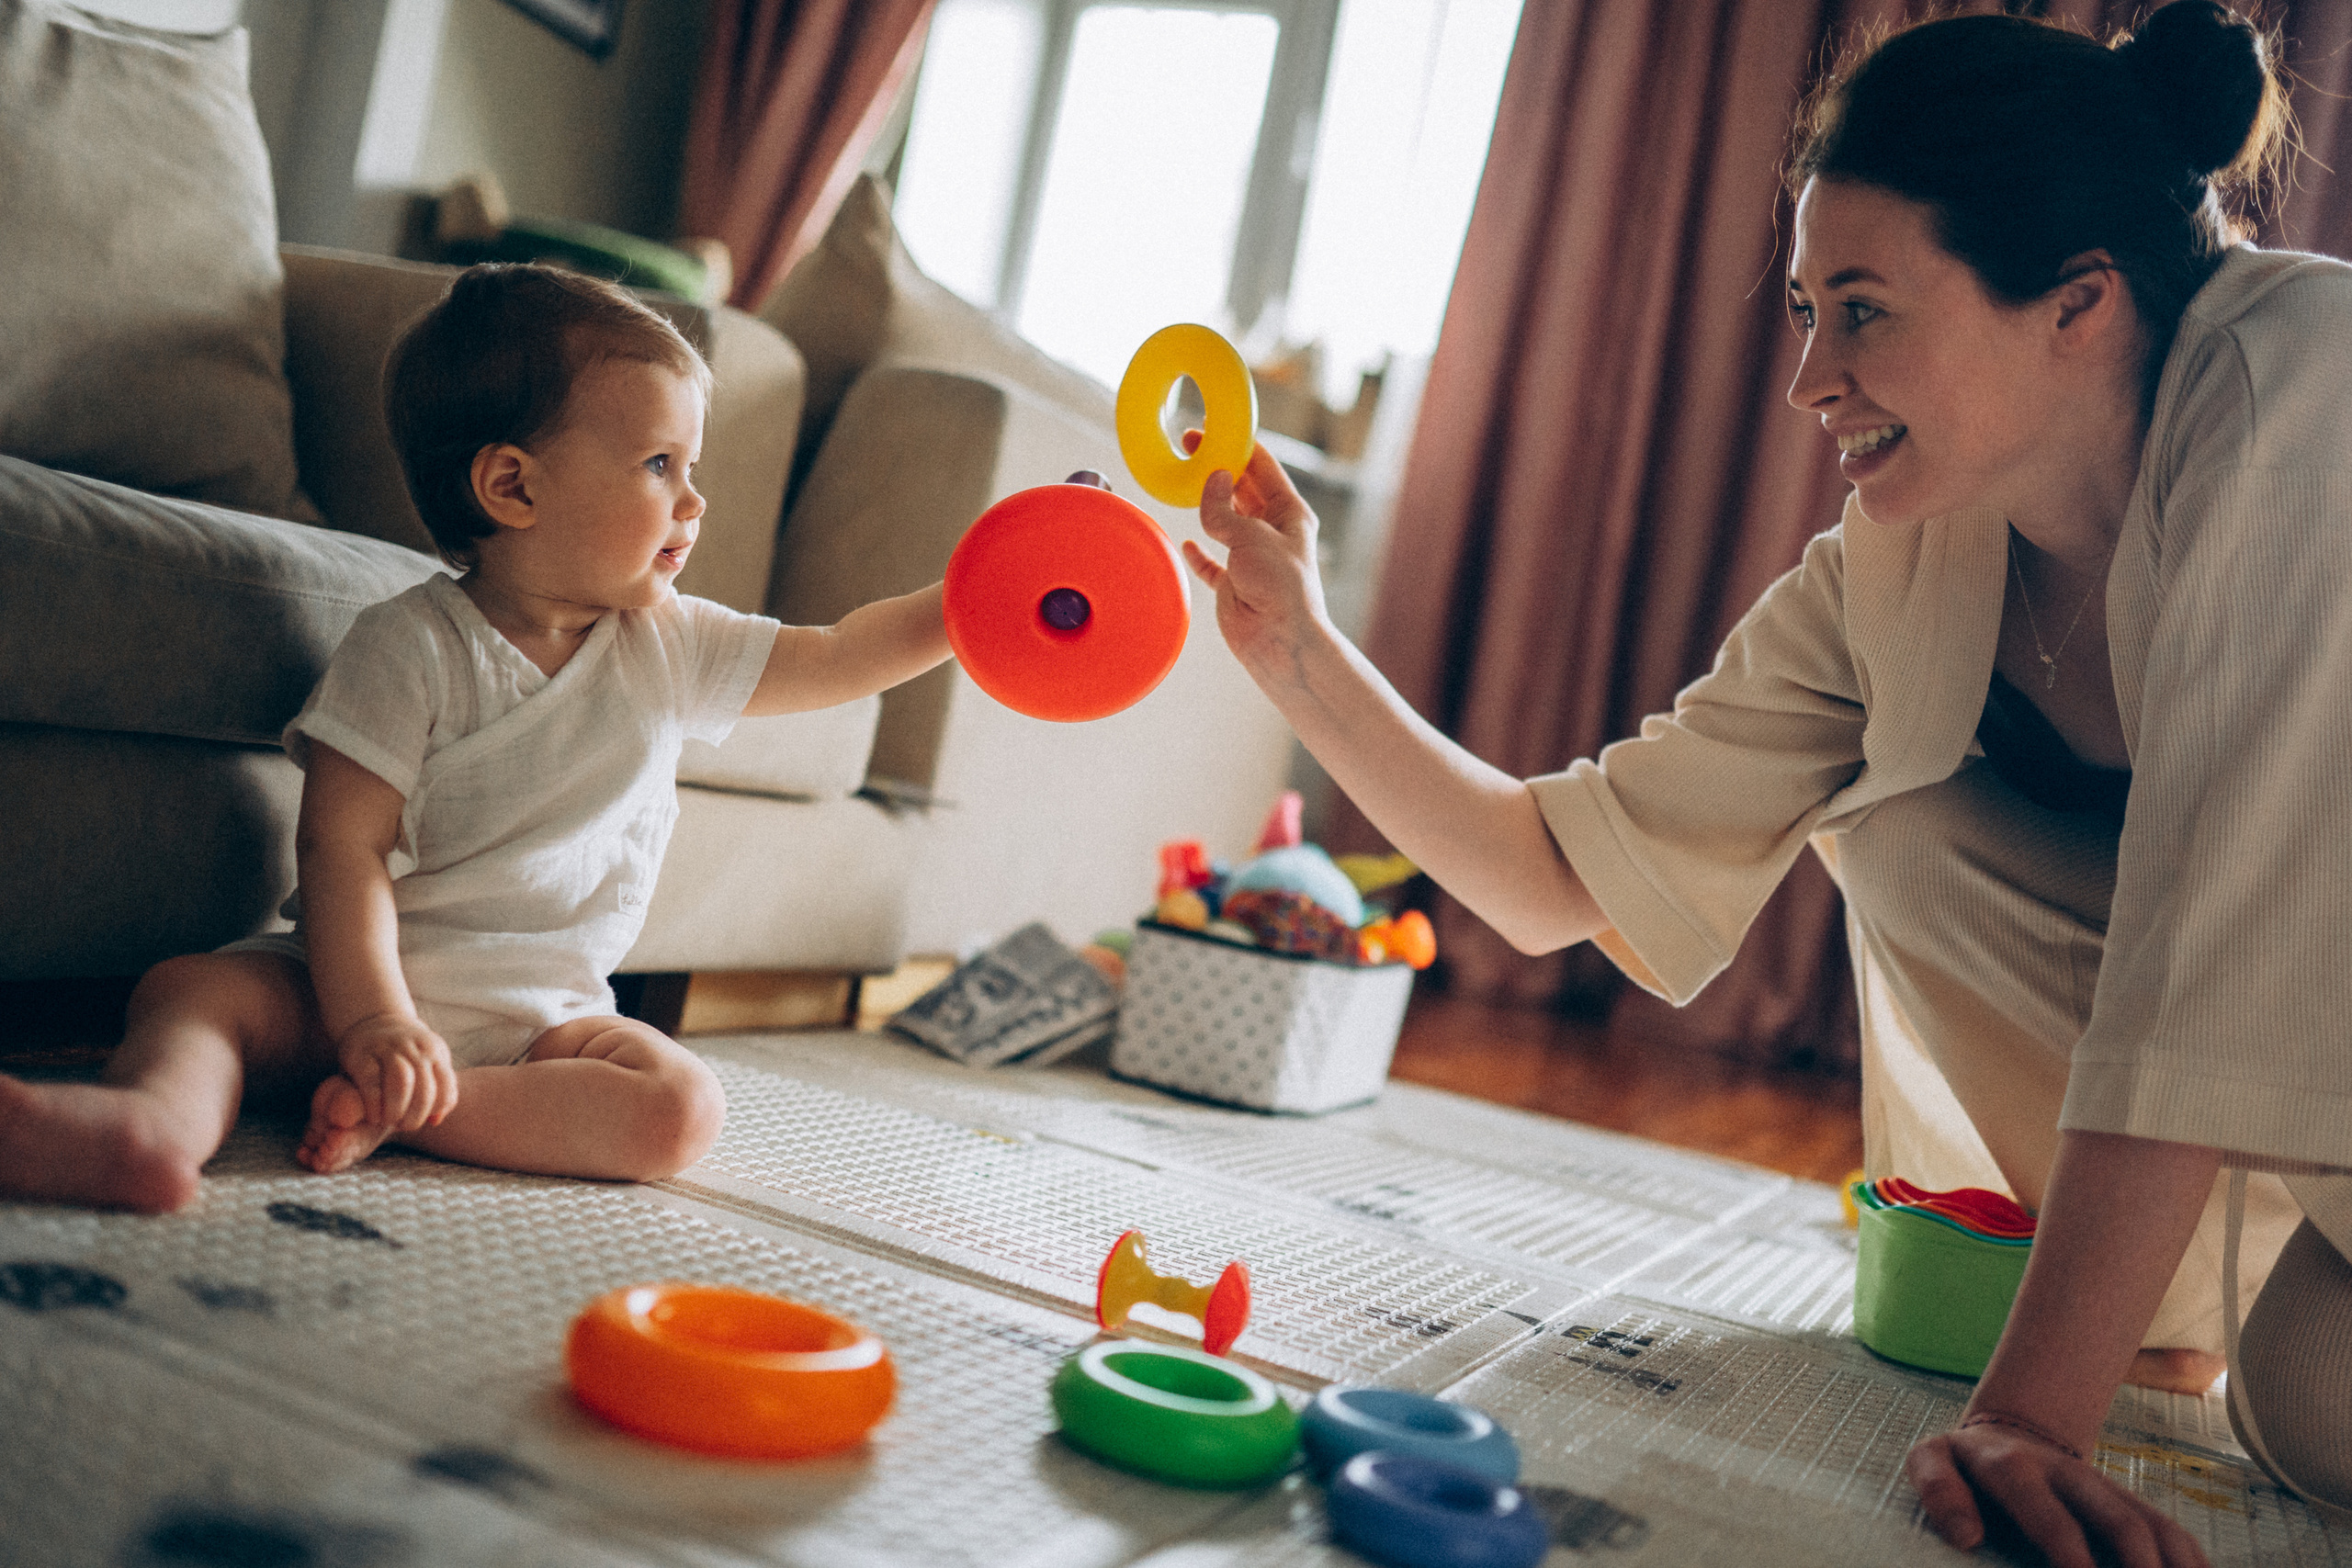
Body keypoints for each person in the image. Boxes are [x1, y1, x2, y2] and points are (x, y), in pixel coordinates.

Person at [1182, 4, 2351, 1563]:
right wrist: (1299, 655)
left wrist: (2029, 1418)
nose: (1809, 378)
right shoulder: (1911, 552)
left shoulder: (2300, 400)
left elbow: (2204, 949)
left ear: (2078, 304)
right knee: (2307, 1407)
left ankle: (2127, 1330)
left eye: (1862, 312)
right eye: (1805, 311)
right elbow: (1558, 874)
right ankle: (2175, 1310)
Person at [0, 264, 952, 1213]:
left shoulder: (671, 643)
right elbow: (343, 845)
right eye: (661, 465)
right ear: (512, 486)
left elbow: (839, 653)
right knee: (194, 994)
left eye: (690, 470)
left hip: (545, 1025)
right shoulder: (408, 646)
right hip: (343, 992)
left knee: (681, 1109)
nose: (693, 502)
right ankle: (153, 1125)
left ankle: (419, 1113)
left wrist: (973, 604)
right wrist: (374, 1022)